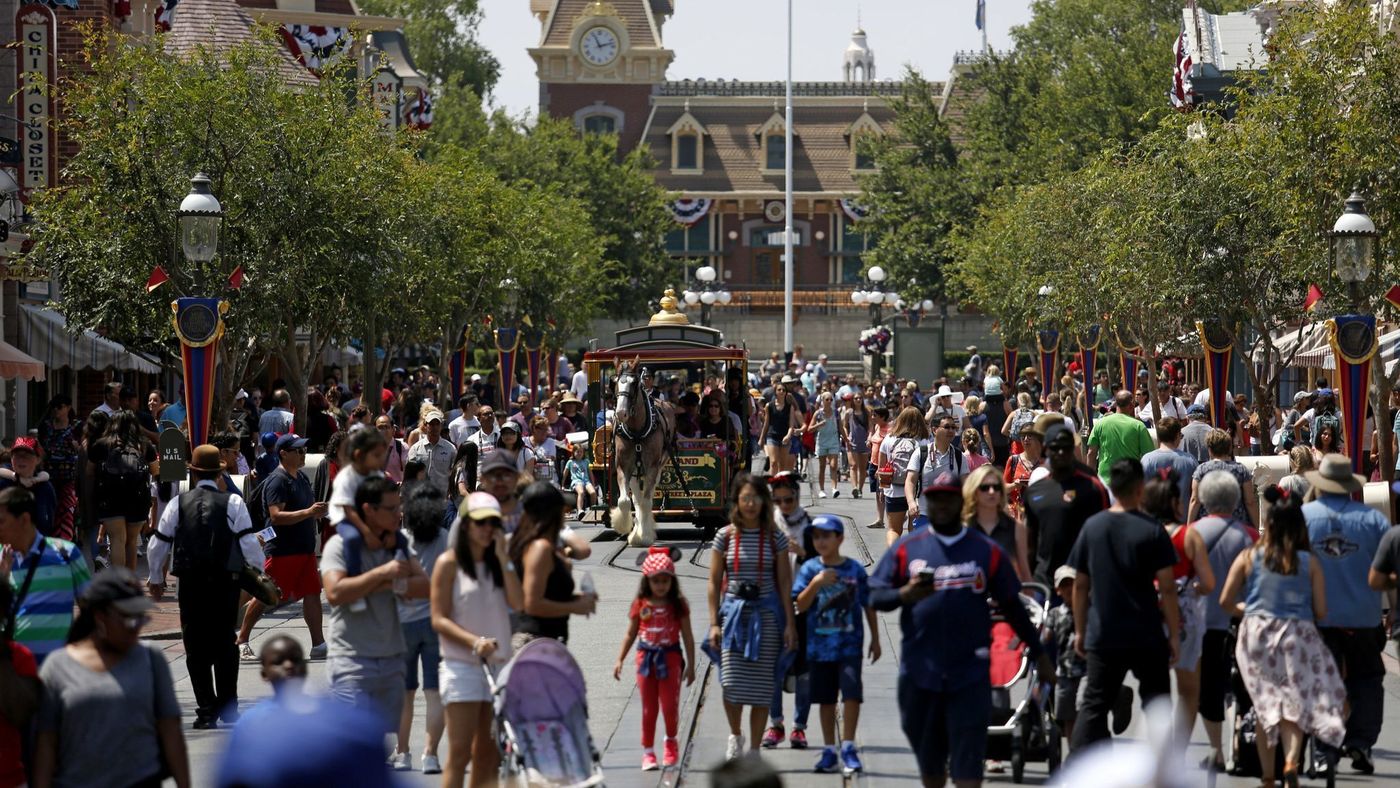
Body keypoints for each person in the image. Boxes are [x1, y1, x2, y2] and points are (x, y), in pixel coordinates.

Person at [870, 470, 1049, 787]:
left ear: (959, 501)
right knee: (932, 765)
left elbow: (1012, 605)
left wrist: (1039, 654)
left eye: (948, 499)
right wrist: (903, 594)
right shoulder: (908, 548)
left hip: (969, 673)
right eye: (935, 499)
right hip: (919, 674)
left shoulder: (985, 550)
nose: (940, 505)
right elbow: (873, 593)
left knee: (968, 761)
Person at [1220, 486, 1347, 787]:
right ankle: (1291, 760)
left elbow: (1225, 600)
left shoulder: (1249, 556)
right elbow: (1321, 609)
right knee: (1293, 706)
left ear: (1271, 523)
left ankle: (1267, 777)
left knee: (1266, 707)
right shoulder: (1309, 562)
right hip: (1297, 634)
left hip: (1256, 633)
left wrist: (1249, 608)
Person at [32, 569, 190, 788]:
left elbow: (170, 729)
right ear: (100, 617)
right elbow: (47, 742)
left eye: (141, 619)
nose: (136, 628)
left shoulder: (150, 658)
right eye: (128, 620)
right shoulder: (57, 666)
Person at [147, 444, 265, 729]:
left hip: (189, 582)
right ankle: (227, 705)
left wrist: (155, 578)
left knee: (195, 646)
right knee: (226, 641)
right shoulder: (233, 503)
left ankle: (206, 709)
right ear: (220, 473)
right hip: (225, 581)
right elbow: (249, 543)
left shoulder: (177, 503)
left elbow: (158, 543)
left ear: (195, 473)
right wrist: (259, 572)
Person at [1066, 458, 1180, 752]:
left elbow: (1080, 583)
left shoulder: (1092, 527)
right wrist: (1175, 634)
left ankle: (1082, 771)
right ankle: (1162, 771)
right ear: (1141, 488)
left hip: (1104, 631)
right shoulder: (1152, 529)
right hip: (1147, 632)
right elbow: (1167, 587)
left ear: (1113, 488)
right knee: (1158, 704)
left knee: (1094, 705)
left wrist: (1080, 630)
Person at [1300, 454, 1388, 776]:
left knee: (1321, 681)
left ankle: (1323, 752)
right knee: (1367, 678)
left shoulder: (1303, 517)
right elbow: (1389, 567)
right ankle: (1361, 742)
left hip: (1317, 617)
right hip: (1364, 615)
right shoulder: (1373, 520)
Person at [321, 475, 431, 731]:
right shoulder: (338, 546)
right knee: (353, 743)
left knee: (378, 744)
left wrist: (388, 583)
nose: (398, 514)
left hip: (391, 660)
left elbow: (426, 587)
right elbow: (336, 592)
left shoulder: (397, 546)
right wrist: (382, 574)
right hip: (352, 660)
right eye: (391, 508)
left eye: (399, 506)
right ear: (369, 510)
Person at [215, 636, 398, 788]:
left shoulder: (349, 722)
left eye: (295, 659)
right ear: (264, 673)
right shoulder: (250, 724)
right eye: (278, 661)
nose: (288, 665)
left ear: (305, 666)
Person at [431, 491, 521, 788]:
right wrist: (474, 641)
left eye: (493, 523)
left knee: (490, 754)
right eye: (480, 523)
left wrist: (504, 558)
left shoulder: (500, 560)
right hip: (462, 666)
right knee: (460, 753)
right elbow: (439, 618)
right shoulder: (449, 563)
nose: (487, 529)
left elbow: (519, 602)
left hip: (498, 665)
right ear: (466, 524)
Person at [706, 473, 798, 760]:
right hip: (733, 616)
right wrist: (713, 623)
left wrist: (790, 624)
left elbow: (785, 583)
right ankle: (735, 734)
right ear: (737, 502)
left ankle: (756, 749)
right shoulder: (725, 536)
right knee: (730, 681)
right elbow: (713, 582)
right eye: (745, 498)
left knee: (763, 686)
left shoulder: (776, 538)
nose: (750, 504)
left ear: (764, 502)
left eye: (756, 498)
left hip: (768, 617)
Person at [792, 515, 879, 775]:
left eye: (826, 536)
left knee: (852, 695)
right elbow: (800, 605)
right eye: (816, 537)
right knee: (825, 699)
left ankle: (849, 745)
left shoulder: (854, 569)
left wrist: (875, 638)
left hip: (850, 645)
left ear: (839, 538)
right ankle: (830, 748)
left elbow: (868, 603)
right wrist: (816, 583)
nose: (821, 541)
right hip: (820, 648)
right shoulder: (808, 569)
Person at [1188, 469, 1260, 770]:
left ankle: (1217, 749)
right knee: (1246, 687)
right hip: (1243, 619)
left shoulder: (1191, 534)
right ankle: (1242, 745)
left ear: (1203, 498)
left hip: (1203, 621)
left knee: (1209, 687)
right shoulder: (1250, 535)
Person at [236, 434, 328, 660]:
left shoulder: (302, 479)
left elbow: (307, 510)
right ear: (284, 454)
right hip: (283, 550)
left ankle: (319, 644)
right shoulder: (278, 480)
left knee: (313, 592)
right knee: (265, 594)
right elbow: (276, 516)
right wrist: (309, 512)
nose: (302, 454)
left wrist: (317, 513)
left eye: (303, 450)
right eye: (298, 450)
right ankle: (241, 639)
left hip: (304, 550)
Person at [1144, 468, 1216, 743]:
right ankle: (1178, 749)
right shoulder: (1189, 536)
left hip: (1148, 612)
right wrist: (1191, 588)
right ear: (1176, 502)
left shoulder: (1143, 534)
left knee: (1154, 688)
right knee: (1188, 688)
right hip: (1184, 613)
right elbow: (1208, 583)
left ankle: (1155, 745)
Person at [612, 547, 697, 771]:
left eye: (665, 581)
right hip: (645, 659)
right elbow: (631, 633)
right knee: (649, 709)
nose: (660, 586)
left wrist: (691, 664)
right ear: (647, 581)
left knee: (669, 706)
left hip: (670, 659)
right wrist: (620, 659)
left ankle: (670, 740)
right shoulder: (640, 605)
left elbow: (687, 636)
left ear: (672, 581)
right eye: (656, 581)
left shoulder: (678, 605)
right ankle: (648, 751)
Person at [391, 484, 452, 774]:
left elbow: (397, 585)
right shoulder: (445, 537)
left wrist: (408, 588)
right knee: (434, 691)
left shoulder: (403, 539)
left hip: (403, 623)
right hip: (436, 621)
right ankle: (431, 754)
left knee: (405, 693)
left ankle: (402, 752)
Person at [1, 486, 90, 666]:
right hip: (11, 675)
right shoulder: (2, 558)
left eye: (1, 521)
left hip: (57, 674)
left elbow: (91, 611)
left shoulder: (66, 553)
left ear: (24, 520)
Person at [508, 482, 596, 649]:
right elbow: (532, 604)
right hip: (535, 642)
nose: (565, 513)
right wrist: (575, 606)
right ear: (553, 513)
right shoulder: (540, 548)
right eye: (562, 508)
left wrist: (578, 600)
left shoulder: (541, 545)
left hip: (547, 641)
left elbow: (548, 595)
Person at [1023, 423, 1110, 588]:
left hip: (1083, 582)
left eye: (1066, 448)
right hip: (1044, 583)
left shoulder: (1093, 487)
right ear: (1046, 450)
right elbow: (1030, 543)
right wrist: (1029, 585)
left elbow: (1105, 536)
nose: (1061, 453)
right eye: (1055, 448)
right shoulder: (1034, 491)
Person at [764, 472, 812, 748]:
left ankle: (800, 727)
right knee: (774, 668)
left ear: (797, 496)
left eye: (788, 499)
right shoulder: (768, 525)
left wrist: (802, 552)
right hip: (774, 605)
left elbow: (824, 561)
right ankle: (776, 724)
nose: (784, 505)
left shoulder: (811, 526)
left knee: (803, 669)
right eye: (778, 500)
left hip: (802, 605)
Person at [89, 411, 155, 571]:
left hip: (110, 497)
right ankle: (130, 583)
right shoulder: (144, 444)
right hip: (138, 498)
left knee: (117, 539)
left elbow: (89, 471)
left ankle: (118, 582)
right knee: (131, 542)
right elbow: (155, 470)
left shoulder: (101, 444)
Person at [963, 464, 1031, 581]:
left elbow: (1024, 573)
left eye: (997, 487)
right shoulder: (963, 528)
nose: (991, 491)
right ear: (974, 491)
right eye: (985, 487)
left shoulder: (1016, 528)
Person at [1045, 566, 1087, 742]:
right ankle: (1073, 753)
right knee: (1068, 717)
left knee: (1083, 708)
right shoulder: (1055, 614)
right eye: (1064, 585)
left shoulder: (1088, 609)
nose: (1069, 588)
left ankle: (1086, 748)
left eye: (1072, 583)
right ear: (1058, 590)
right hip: (1064, 673)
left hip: (1085, 671)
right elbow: (1045, 636)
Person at [1187, 428, 1260, 528]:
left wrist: (1188, 528)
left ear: (1210, 449)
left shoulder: (1201, 470)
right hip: (1237, 525)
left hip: (1207, 526)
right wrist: (1256, 529)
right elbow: (1250, 501)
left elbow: (1195, 500)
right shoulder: (1241, 470)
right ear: (1229, 448)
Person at [877, 407, 927, 547]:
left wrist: (881, 489)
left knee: (894, 530)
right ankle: (913, 561)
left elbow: (882, 468)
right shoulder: (923, 441)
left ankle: (893, 560)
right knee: (915, 529)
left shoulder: (889, 438)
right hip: (916, 492)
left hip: (894, 490)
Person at [1085, 390, 1155, 485]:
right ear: (1131, 406)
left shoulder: (1100, 423)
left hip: (1105, 482)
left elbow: (1091, 453)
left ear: (1116, 404)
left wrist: (1090, 479)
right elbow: (1148, 456)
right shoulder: (1139, 426)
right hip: (1130, 482)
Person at [37, 395, 81, 542]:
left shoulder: (77, 426)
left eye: (60, 407)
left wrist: (78, 447)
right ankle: (51, 540)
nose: (56, 410)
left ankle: (65, 541)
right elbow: (41, 449)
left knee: (66, 509)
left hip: (70, 476)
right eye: (54, 407)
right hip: (48, 476)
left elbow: (84, 450)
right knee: (50, 509)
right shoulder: (46, 426)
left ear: (68, 407)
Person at [906, 414, 968, 518]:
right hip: (924, 513)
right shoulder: (921, 453)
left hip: (951, 516)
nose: (951, 430)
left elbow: (966, 485)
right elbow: (910, 481)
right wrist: (911, 502)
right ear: (934, 430)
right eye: (947, 427)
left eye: (954, 427)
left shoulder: (959, 456)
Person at [0, 437, 57, 537]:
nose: (21, 460)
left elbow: (49, 525)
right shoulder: (3, 483)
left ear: (38, 459)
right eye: (17, 455)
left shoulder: (45, 488)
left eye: (27, 455)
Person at [1138, 417, 1197, 506]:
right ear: (1177, 435)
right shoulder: (1190, 460)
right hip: (1184, 516)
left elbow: (1141, 491)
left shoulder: (1147, 459)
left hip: (1154, 516)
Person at [1003, 414, 1049, 521]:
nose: (1026, 439)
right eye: (1023, 436)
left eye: (1030, 435)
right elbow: (1003, 489)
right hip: (1018, 515)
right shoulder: (1013, 460)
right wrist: (1015, 485)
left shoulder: (1046, 461)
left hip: (1041, 514)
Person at [805, 392, 847, 499]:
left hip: (833, 440)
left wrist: (846, 440)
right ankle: (822, 490)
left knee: (833, 465)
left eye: (831, 400)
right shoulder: (818, 414)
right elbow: (809, 429)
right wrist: (819, 424)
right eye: (827, 399)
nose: (829, 402)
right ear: (822, 401)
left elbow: (841, 428)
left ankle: (834, 488)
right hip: (822, 441)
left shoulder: (836, 413)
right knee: (822, 466)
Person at [408, 409, 457, 498]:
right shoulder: (415, 449)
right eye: (431, 424)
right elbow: (410, 474)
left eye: (437, 424)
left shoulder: (451, 449)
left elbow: (455, 473)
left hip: (442, 497)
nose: (434, 427)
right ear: (426, 425)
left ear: (441, 426)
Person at [759, 375, 801, 473]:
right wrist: (761, 438)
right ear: (775, 392)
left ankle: (779, 485)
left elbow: (791, 425)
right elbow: (766, 423)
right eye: (779, 390)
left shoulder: (789, 407)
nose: (781, 392)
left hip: (784, 437)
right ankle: (772, 484)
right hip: (772, 436)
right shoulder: (769, 406)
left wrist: (788, 435)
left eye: (783, 390)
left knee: (782, 465)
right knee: (773, 462)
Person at [378, 416, 410, 484]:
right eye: (380, 427)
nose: (383, 430)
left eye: (386, 427)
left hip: (396, 491)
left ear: (393, 429)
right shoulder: (370, 449)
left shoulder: (402, 447)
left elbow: (408, 473)